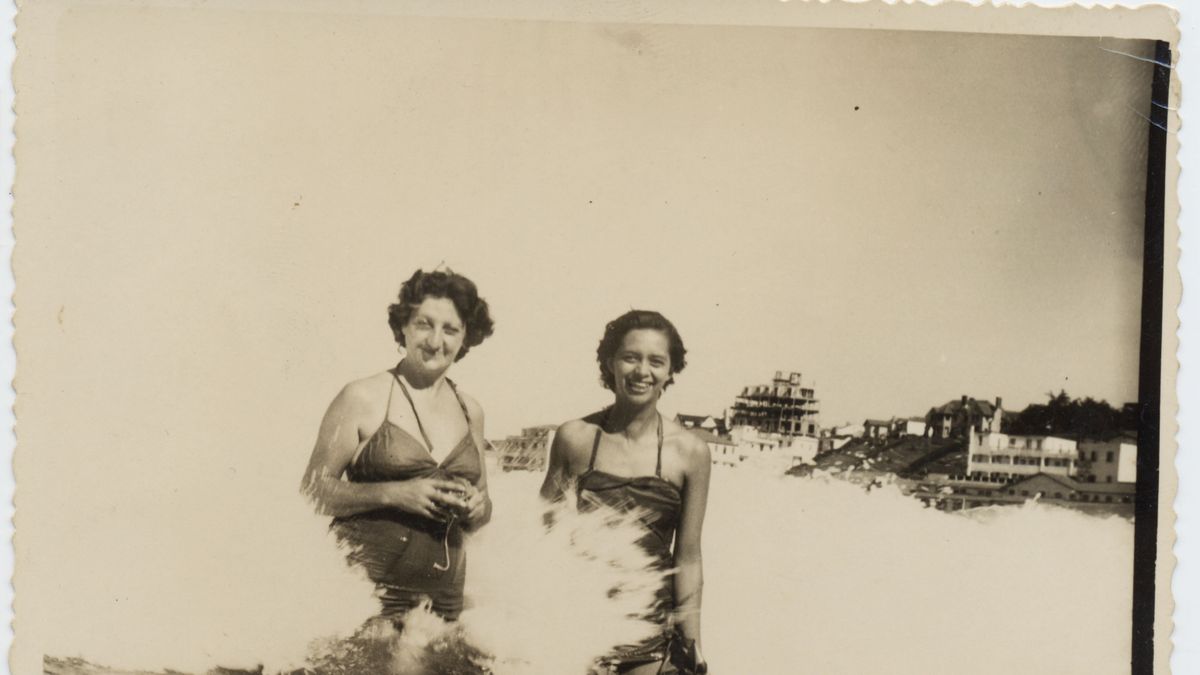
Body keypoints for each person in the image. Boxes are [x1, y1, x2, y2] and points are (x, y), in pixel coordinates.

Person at [301, 268, 495, 626]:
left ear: (466, 337)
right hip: (365, 604)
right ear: (403, 326)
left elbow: (483, 511)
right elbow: (313, 490)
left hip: (442, 611)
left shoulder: (472, 411)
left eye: (450, 329)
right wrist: (395, 493)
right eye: (424, 324)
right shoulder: (361, 397)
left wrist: (476, 507)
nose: (436, 341)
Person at [540, 310, 712, 675]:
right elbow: (545, 538)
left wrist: (691, 645)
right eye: (630, 357)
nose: (641, 371)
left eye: (656, 361)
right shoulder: (575, 438)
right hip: (577, 629)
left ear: (670, 371)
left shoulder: (691, 453)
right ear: (610, 362)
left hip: (650, 636)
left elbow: (689, 556)